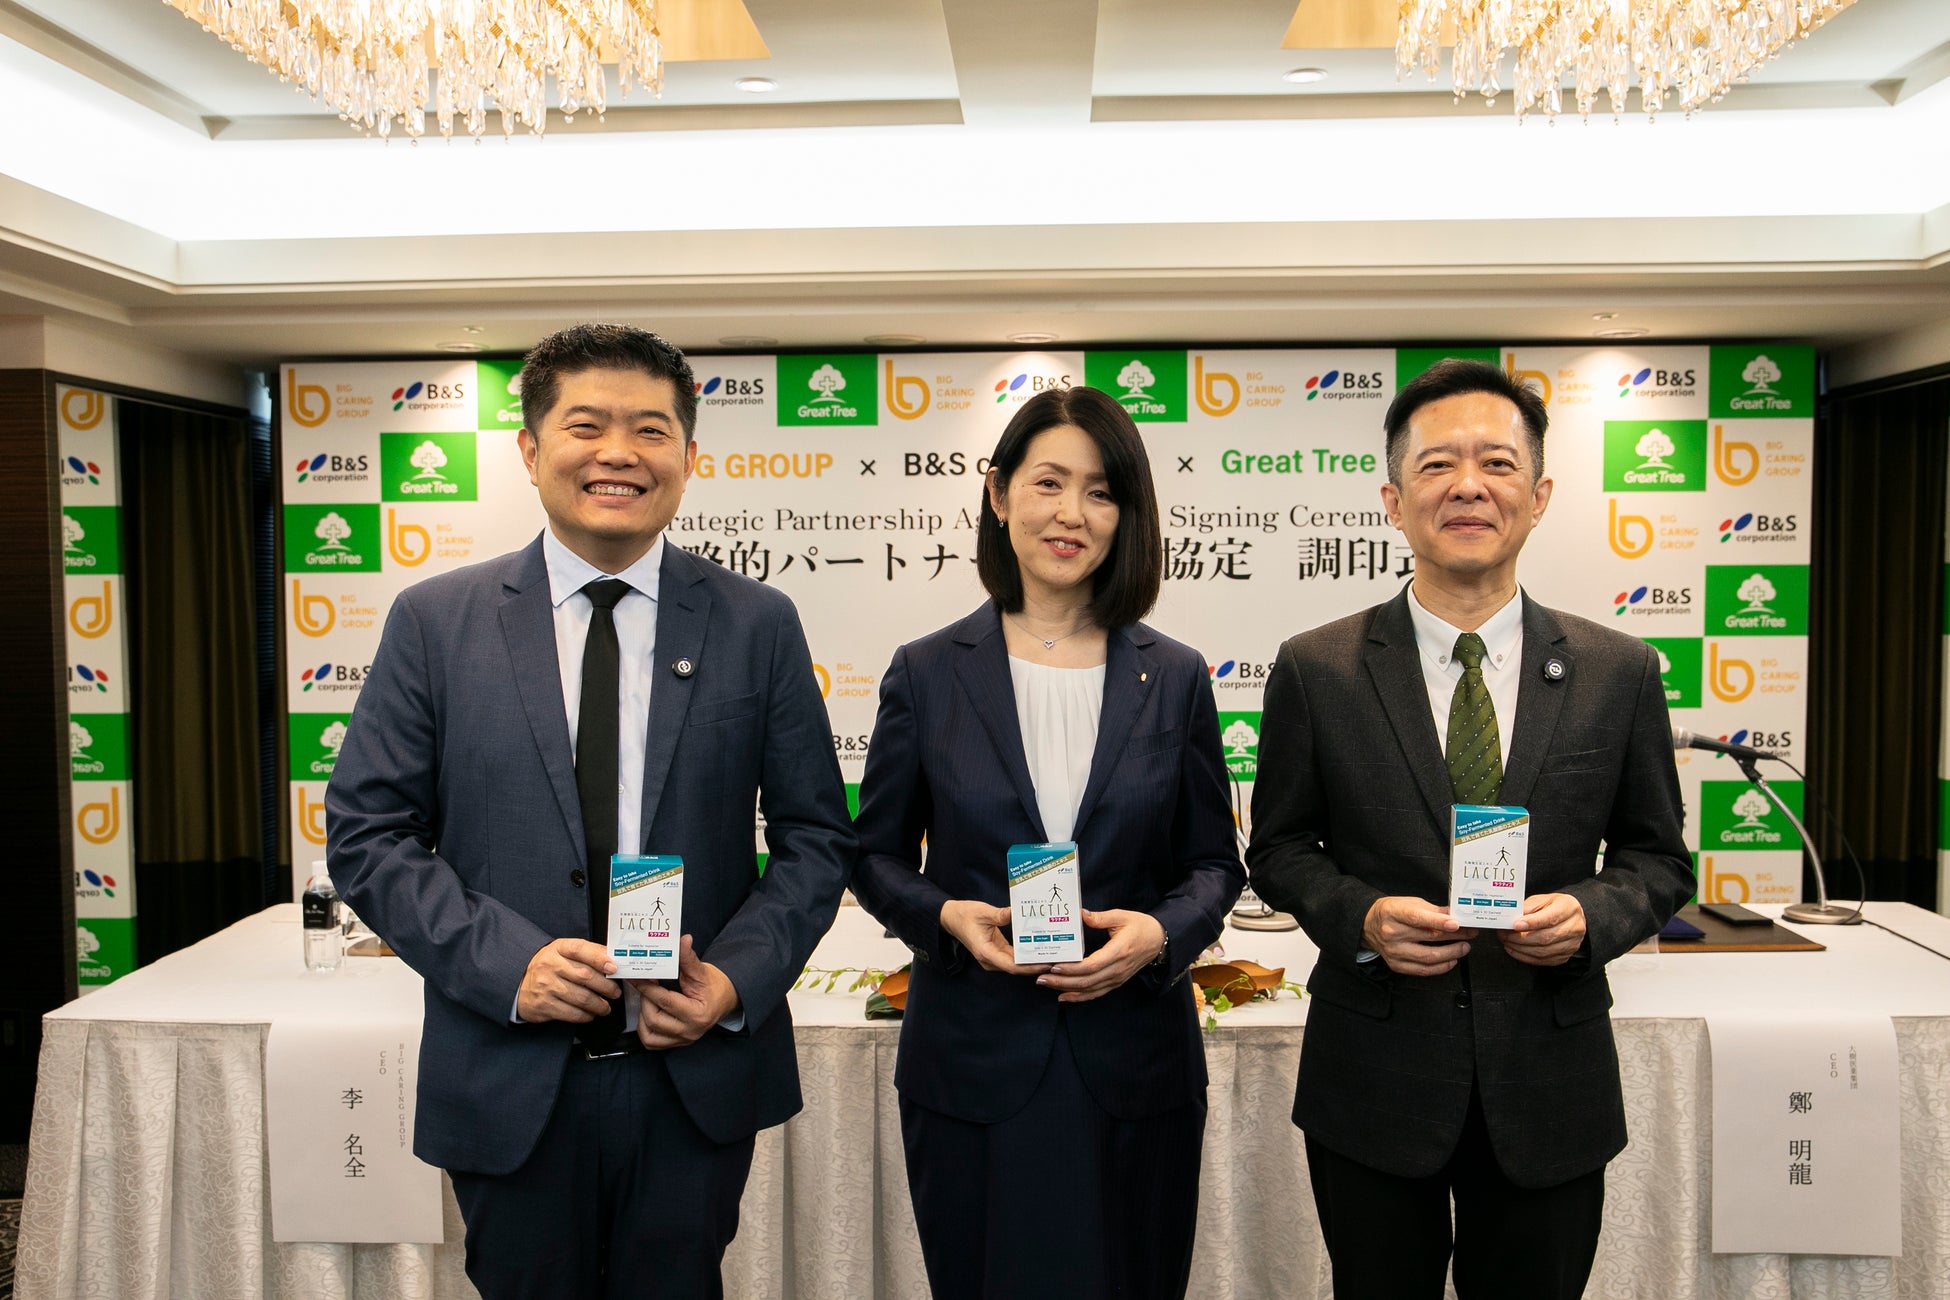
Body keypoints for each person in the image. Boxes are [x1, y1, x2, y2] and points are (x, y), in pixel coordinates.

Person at [326, 324, 855, 1298]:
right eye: (587, 426)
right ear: (531, 451)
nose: (620, 452)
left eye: (651, 430)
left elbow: (817, 840)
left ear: (689, 456)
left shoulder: (756, 622)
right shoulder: (436, 622)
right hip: (510, 1069)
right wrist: (509, 966)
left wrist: (733, 983)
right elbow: (368, 835)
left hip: (688, 1075)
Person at [1246, 358, 1692, 1300]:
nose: (1468, 485)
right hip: (1373, 1077)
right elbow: (1279, 850)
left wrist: (1590, 916)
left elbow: (1656, 859)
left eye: (1496, 462)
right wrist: (1364, 918)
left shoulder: (1619, 670)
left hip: (1550, 1079)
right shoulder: (1316, 668)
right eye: (1438, 464)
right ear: (1393, 500)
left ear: (1539, 497)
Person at [851, 386, 1244, 1299]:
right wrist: (946, 917)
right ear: (999, 494)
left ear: (1127, 515)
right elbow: (871, 857)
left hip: (1135, 1060)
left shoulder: (1175, 675)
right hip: (974, 1059)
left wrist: (1160, 935)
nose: (1072, 513)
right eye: (1049, 483)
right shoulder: (926, 671)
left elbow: (1214, 865)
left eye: (1101, 492)